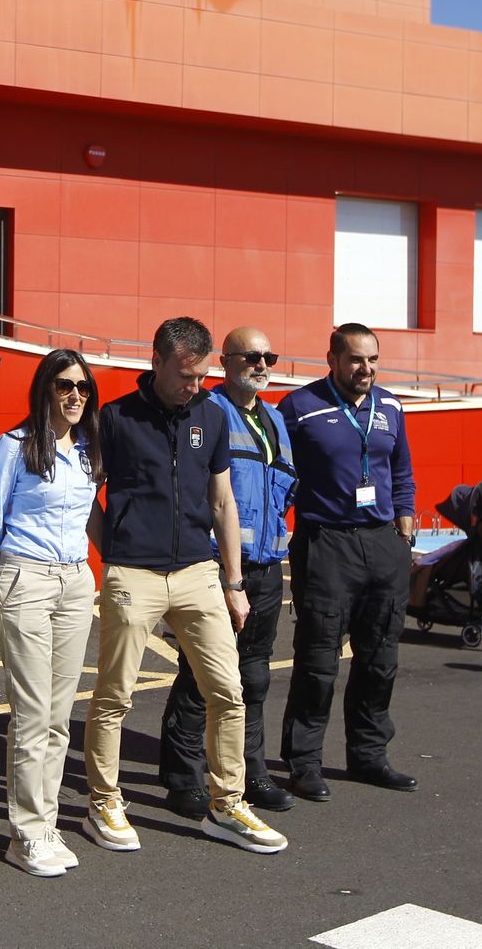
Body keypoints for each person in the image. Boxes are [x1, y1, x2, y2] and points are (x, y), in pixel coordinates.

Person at [86, 316, 288, 856]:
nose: (193, 386)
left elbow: (222, 502)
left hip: (200, 573)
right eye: (184, 376)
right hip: (135, 573)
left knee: (228, 690)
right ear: (155, 362)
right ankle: (104, 800)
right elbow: (87, 496)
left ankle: (227, 805)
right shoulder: (115, 417)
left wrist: (234, 581)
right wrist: (116, 557)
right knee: (114, 697)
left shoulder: (210, 416)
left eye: (200, 376)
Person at [159, 326, 299, 817]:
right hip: (215, 567)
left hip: (264, 567)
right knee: (201, 676)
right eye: (250, 357)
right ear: (226, 361)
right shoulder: (205, 413)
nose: (261, 365)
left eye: (269, 356)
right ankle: (183, 778)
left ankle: (250, 771)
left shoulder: (277, 421)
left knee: (254, 676)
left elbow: (285, 489)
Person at [277, 322, 418, 802]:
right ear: (333, 360)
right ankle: (304, 763)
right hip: (326, 544)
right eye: (357, 359)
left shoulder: (392, 406)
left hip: (383, 544)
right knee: (318, 662)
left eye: (374, 359)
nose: (367, 368)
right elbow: (280, 475)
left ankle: (369, 756)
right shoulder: (298, 408)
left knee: (380, 659)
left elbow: (401, 469)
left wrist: (404, 524)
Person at [0, 349, 104, 878]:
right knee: (33, 713)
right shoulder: (14, 446)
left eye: (82, 386)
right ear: (45, 389)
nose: (75, 395)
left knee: (60, 715)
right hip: (25, 578)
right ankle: (27, 833)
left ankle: (46, 821)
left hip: (76, 582)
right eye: (64, 385)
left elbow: (93, 516)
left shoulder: (88, 451)